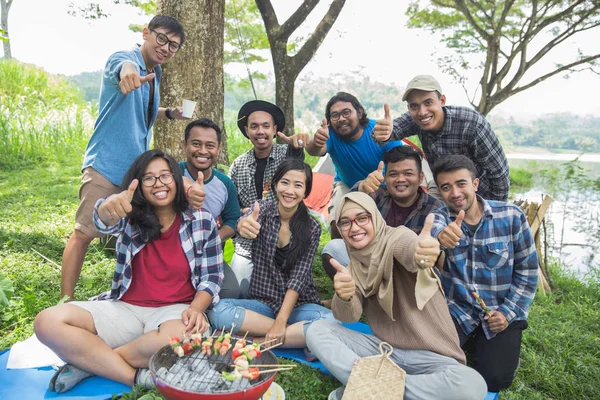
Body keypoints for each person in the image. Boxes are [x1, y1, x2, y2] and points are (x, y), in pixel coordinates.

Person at [34, 150, 223, 393]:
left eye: (165, 176)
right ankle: (135, 376)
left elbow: (212, 278)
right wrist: (106, 207)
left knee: (189, 339)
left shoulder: (201, 220)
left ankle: (92, 363)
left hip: (175, 311)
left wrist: (197, 308)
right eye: (149, 178)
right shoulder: (129, 217)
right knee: (47, 322)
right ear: (140, 186)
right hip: (125, 308)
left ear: (177, 180)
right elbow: (104, 220)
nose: (159, 184)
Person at [60, 15, 205, 301]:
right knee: (84, 233)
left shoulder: (156, 73)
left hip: (136, 173)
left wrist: (169, 113)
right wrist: (127, 72)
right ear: (146, 33)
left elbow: (142, 106)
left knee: (142, 232)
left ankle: (137, 293)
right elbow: (122, 67)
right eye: (161, 38)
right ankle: (64, 301)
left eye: (173, 45)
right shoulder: (125, 59)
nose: (165, 48)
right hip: (106, 165)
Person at [306, 192, 487, 400]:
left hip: (431, 357)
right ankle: (377, 388)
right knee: (317, 330)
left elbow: (411, 251)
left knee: (472, 385)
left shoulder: (397, 237)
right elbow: (350, 316)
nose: (354, 228)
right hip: (385, 351)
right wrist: (344, 295)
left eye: (362, 218)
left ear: (374, 216)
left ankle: (369, 389)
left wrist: (423, 254)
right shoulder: (352, 267)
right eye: (345, 223)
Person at [429, 155, 538, 392]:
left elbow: (528, 272)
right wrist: (439, 237)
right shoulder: (440, 218)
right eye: (446, 187)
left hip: (500, 311)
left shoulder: (511, 216)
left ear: (475, 184)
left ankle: (490, 345)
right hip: (457, 311)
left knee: (494, 380)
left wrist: (508, 313)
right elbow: (430, 232)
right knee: (428, 362)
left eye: (461, 184)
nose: (455, 193)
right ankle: (467, 342)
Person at [208, 159, 337, 350]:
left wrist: (280, 323)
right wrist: (243, 225)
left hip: (297, 306)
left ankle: (254, 343)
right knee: (219, 310)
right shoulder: (261, 211)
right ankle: (299, 336)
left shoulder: (312, 227)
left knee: (330, 321)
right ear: (275, 184)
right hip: (264, 304)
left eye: (298, 185)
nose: (290, 191)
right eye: (285, 182)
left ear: (305, 192)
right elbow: (245, 221)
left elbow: (298, 277)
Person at [376, 75, 510, 201]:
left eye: (428, 102)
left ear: (442, 101)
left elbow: (499, 174)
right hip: (443, 188)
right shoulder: (415, 118)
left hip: (478, 193)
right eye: (414, 106)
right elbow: (386, 132)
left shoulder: (472, 124)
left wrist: (495, 210)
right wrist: (384, 133)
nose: (422, 112)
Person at [321, 146, 443, 279]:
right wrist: (362, 187)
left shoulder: (434, 207)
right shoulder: (377, 194)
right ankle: (356, 294)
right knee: (333, 248)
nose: (400, 179)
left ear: (420, 178)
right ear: (385, 177)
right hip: (372, 266)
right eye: (393, 174)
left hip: (409, 275)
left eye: (408, 173)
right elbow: (348, 208)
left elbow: (439, 247)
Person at [228, 100, 307, 297]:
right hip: (248, 245)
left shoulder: (286, 154)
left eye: (265, 126)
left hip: (283, 242)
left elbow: (297, 163)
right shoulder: (238, 165)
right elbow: (231, 210)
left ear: (275, 129)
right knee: (237, 293)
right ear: (247, 131)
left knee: (286, 295)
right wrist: (240, 220)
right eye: (254, 126)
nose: (260, 131)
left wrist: (297, 146)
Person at [305, 92, 403, 228]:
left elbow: (400, 163)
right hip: (347, 185)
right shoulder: (332, 135)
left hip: (382, 184)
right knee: (338, 222)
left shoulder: (379, 131)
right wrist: (315, 142)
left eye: (346, 112)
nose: (341, 119)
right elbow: (314, 150)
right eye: (335, 115)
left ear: (360, 113)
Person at [179, 118, 242, 298]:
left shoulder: (225, 184)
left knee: (231, 292)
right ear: (185, 145)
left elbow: (232, 222)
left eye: (210, 145)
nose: (203, 151)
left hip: (209, 256)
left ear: (218, 148)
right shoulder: (171, 173)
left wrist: (209, 241)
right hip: (174, 253)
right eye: (196, 144)